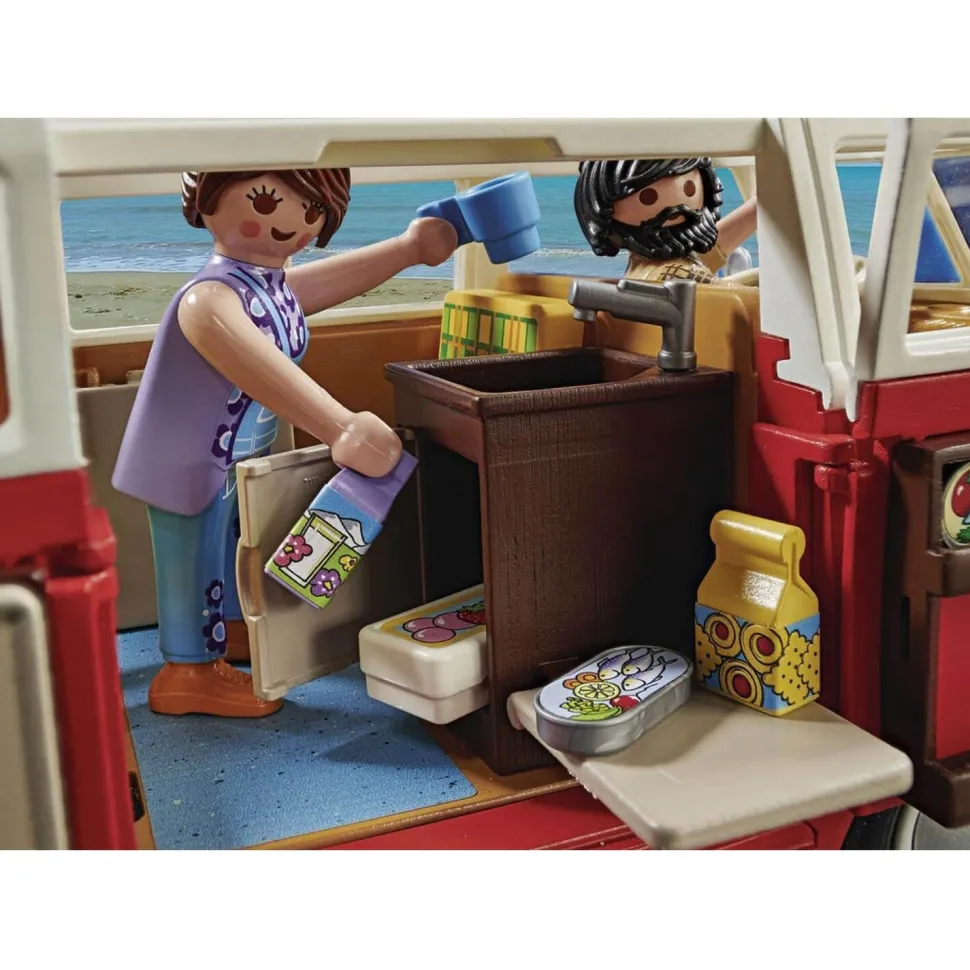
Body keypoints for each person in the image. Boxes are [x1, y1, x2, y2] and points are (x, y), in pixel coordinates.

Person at [112, 168, 459, 718]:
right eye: (267, 201)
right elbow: (263, 369)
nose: (292, 222)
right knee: (192, 559)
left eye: (312, 209)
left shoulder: (263, 288)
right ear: (206, 200)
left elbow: (320, 286)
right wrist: (340, 427)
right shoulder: (208, 301)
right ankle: (186, 673)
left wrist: (408, 250)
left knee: (233, 549)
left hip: (238, 456)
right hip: (186, 461)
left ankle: (226, 632)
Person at [574, 158, 757, 283]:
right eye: (647, 197)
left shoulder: (645, 266)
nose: (676, 208)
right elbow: (738, 301)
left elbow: (703, 254)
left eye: (689, 188)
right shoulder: (677, 276)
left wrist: (755, 209)